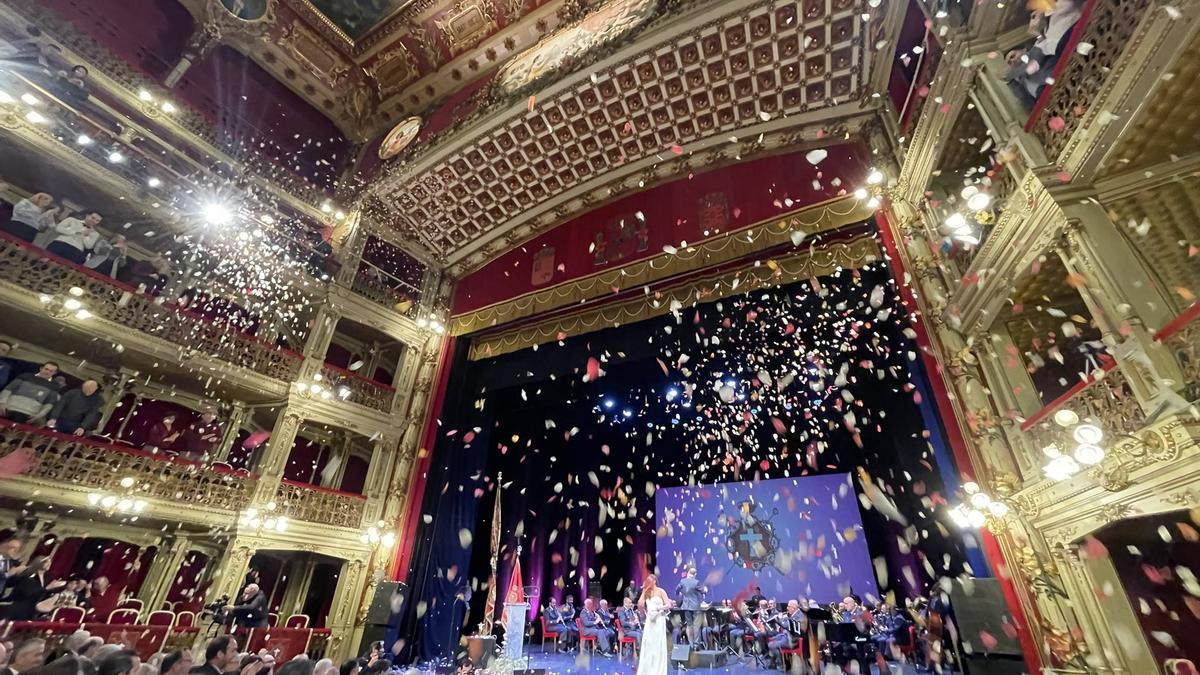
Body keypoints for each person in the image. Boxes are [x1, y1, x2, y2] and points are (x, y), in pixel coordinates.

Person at [1, 556, 65, 620]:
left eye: (50, 562)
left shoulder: (47, 578)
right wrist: (47, 588)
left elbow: (43, 594)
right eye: (46, 562)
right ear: (39, 563)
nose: (49, 564)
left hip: (31, 610)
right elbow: (28, 593)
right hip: (18, 608)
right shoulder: (30, 575)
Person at [635, 574, 670, 675]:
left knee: (657, 644)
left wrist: (659, 608)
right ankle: (647, 670)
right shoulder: (646, 593)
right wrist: (644, 591)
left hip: (659, 619)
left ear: (654, 581)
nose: (649, 583)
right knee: (649, 644)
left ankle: (658, 671)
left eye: (650, 582)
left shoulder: (661, 591)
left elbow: (668, 604)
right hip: (650, 621)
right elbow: (640, 604)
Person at [674, 568, 705, 644]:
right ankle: (696, 643)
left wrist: (679, 593)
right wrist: (705, 591)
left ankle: (691, 643)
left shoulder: (682, 581)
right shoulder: (696, 582)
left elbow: (677, 589)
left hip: (686, 606)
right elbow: (702, 591)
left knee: (689, 625)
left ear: (688, 573)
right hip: (695, 607)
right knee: (696, 625)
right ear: (695, 574)